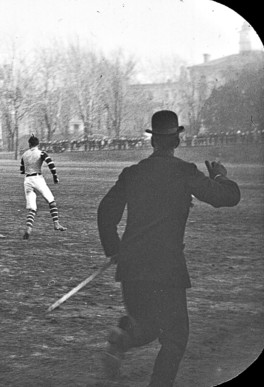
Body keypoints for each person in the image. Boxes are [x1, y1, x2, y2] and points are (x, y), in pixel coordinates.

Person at [96, 110, 241, 386]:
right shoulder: (185, 172)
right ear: (177, 141)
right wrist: (220, 176)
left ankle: (121, 338)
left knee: (149, 326)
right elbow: (229, 197)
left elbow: (105, 213)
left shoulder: (132, 174)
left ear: (152, 141)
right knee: (175, 336)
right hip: (166, 269)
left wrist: (114, 249)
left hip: (132, 268)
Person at [20, 134, 66, 240]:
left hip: (27, 181)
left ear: (29, 144)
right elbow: (51, 164)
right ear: (38, 144)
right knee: (51, 201)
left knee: (32, 208)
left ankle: (28, 228)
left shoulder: (24, 154)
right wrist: (55, 176)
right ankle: (56, 224)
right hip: (37, 179)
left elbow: (22, 170)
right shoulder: (41, 153)